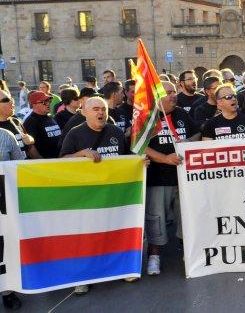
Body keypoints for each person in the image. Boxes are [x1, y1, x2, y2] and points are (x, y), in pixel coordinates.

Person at [59, 96, 134, 294]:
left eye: (103, 109)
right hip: (87, 197)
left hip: (114, 195)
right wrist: (81, 154)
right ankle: (83, 277)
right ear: (84, 112)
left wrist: (138, 163)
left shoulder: (116, 132)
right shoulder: (75, 134)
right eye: (95, 109)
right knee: (87, 237)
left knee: (116, 232)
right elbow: (62, 161)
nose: (101, 113)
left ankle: (121, 269)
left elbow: (127, 158)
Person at [144, 81, 200, 275]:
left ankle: (188, 253)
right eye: (168, 93)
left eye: (174, 92)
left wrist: (188, 142)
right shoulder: (148, 118)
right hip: (158, 179)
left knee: (185, 217)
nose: (173, 95)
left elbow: (198, 133)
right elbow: (140, 146)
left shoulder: (182, 114)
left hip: (182, 179)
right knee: (156, 220)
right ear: (157, 98)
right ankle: (154, 256)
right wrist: (165, 159)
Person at [0, 125, 26, 310]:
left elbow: (21, 167)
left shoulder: (5, 136)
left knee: (4, 249)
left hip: (4, 206)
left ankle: (7, 291)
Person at [0, 90, 40, 159]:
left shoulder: (15, 122)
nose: (12, 102)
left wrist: (42, 163)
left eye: (11, 98)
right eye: (6, 100)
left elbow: (30, 148)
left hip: (24, 168)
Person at [22, 91, 61, 158]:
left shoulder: (50, 117)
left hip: (58, 161)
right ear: (34, 104)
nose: (48, 104)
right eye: (44, 102)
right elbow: (29, 147)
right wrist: (41, 161)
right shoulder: (31, 121)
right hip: (45, 164)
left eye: (49, 101)